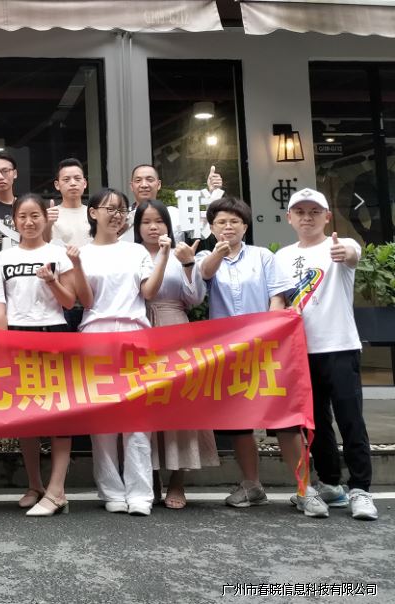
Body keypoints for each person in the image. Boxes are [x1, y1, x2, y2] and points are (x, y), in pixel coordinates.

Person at [195, 197, 316, 516]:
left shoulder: (263, 256)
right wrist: (217, 254)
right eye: (221, 222)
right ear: (211, 227)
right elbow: (203, 276)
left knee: (284, 419)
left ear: (245, 226)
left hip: (265, 349)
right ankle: (251, 485)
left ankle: (305, 488)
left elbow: (277, 297)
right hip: (228, 352)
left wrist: (266, 334)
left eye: (234, 221)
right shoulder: (207, 256)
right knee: (239, 422)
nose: (228, 227)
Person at [276, 188, 377, 520]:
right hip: (301, 351)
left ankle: (361, 489)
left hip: (340, 347)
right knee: (315, 422)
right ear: (289, 218)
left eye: (314, 212)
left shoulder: (340, 245)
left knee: (350, 419)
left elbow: (351, 254)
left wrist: (344, 252)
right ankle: (331, 484)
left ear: (327, 217)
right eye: (300, 212)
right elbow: (280, 301)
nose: (307, 218)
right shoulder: (282, 257)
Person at [72, 188, 168, 517]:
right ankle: (111, 490)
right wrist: (75, 264)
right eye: (109, 209)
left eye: (121, 210)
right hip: (96, 335)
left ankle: (140, 493)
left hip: (134, 334)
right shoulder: (83, 253)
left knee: (137, 418)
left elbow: (149, 292)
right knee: (103, 418)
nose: (116, 215)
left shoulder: (136, 251)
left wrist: (163, 256)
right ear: (93, 213)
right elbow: (85, 300)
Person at [0, 194, 78, 517]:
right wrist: (2, 345)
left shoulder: (58, 254)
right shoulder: (3, 258)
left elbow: (70, 302)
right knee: (27, 414)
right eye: (22, 216)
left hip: (53, 335)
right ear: (14, 220)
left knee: (58, 414)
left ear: (44, 217)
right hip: (17, 336)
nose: (29, 222)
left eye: (35, 215)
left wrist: (52, 281)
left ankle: (57, 490)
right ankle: (35, 485)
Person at [133, 200, 218, 510]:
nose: (153, 227)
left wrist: (188, 264)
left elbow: (195, 298)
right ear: (137, 227)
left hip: (174, 327)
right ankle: (150, 477)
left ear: (168, 225)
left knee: (178, 404)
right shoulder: (131, 253)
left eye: (159, 221)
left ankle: (177, 480)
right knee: (144, 406)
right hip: (139, 328)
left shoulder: (179, 253)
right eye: (146, 222)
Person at [124, 164, 184, 243]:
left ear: (159, 184)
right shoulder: (123, 216)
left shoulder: (176, 214)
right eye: (138, 180)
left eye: (150, 180)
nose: (144, 185)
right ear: (132, 186)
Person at [47, 158, 91, 247]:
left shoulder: (94, 214)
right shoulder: (49, 215)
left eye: (77, 179)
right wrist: (47, 224)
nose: (73, 183)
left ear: (85, 183)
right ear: (57, 185)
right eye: (66, 179)